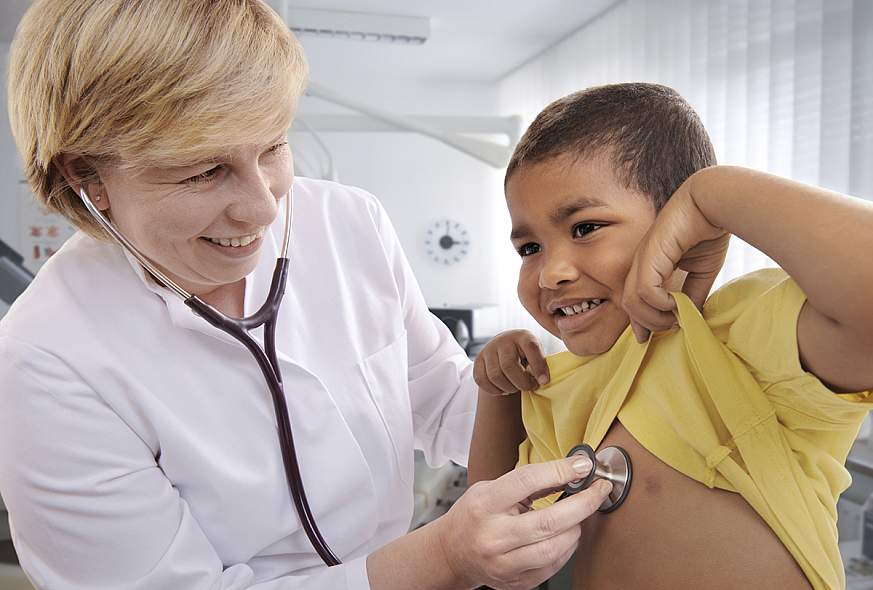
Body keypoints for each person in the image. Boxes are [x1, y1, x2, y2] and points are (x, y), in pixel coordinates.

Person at [0, 1, 613, 589]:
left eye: (272, 146)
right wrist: (445, 559)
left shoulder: (349, 223)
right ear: (86, 177)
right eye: (203, 171)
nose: (263, 206)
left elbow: (441, 400)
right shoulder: (48, 358)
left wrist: (568, 382)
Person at [468, 83, 873, 590]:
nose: (550, 273)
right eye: (529, 248)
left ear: (679, 227)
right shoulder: (566, 387)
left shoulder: (742, 338)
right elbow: (492, 527)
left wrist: (714, 194)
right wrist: (498, 390)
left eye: (585, 228)